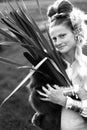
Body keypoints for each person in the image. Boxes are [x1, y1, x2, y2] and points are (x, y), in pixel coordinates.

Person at [27, 0, 87, 130]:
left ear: (76, 33)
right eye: (54, 38)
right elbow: (40, 102)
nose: (57, 42)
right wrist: (78, 93)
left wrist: (65, 100)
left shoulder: (86, 65)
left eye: (62, 35)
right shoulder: (48, 65)